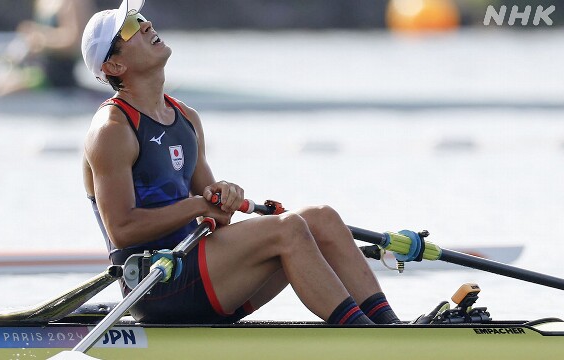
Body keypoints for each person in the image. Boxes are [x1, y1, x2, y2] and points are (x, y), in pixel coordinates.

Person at [80, 0, 401, 325]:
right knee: (288, 229)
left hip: (197, 269)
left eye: (142, 18)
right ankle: (364, 334)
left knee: (323, 219)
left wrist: (224, 196)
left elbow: (219, 217)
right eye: (131, 28)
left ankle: (391, 327)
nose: (147, 25)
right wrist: (196, 206)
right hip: (155, 286)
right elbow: (122, 230)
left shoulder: (186, 118)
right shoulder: (112, 131)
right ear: (114, 67)